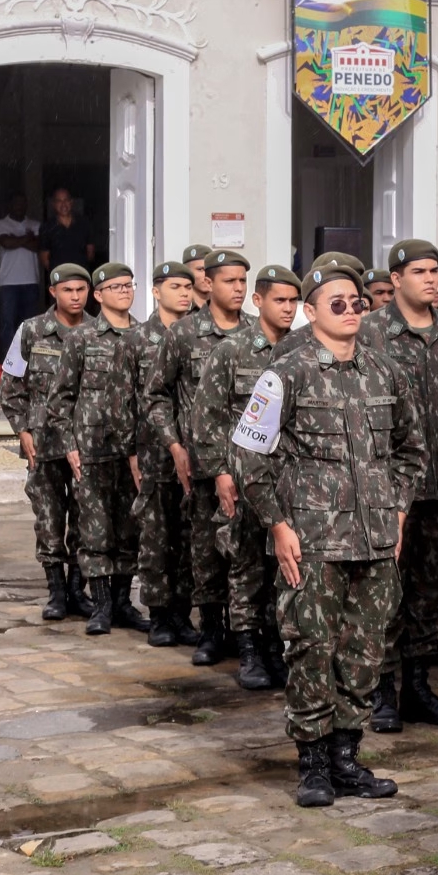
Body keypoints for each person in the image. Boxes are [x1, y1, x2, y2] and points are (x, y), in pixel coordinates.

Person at [233, 264, 426, 808]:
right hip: (312, 542)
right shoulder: (284, 374)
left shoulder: (387, 373)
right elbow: (249, 456)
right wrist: (277, 522)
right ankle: (313, 763)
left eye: (357, 302)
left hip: (375, 540)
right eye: (336, 303)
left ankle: (347, 756)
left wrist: (399, 511)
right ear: (310, 311)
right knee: (312, 649)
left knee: (364, 652)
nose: (350, 311)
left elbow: (413, 452)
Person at [359, 239, 438, 730]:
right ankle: (380, 688)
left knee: (429, 589)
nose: (429, 278)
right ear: (396, 278)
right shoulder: (370, 333)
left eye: (435, 271)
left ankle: (418, 685)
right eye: (418, 270)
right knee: (385, 590)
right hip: (388, 488)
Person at [195, 264, 304, 690]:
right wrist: (222, 472)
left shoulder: (303, 351)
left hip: (289, 481)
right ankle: (249, 652)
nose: (288, 308)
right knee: (244, 566)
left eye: (294, 301)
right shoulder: (233, 351)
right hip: (244, 476)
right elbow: (208, 416)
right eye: (280, 300)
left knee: (283, 568)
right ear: (258, 301)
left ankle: (278, 648)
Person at [144, 249, 249, 665]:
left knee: (246, 555)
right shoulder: (184, 334)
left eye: (243, 281)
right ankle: (209, 629)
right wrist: (174, 444)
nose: (237, 289)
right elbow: (155, 395)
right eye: (229, 281)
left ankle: (247, 635)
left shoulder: (258, 335)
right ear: (210, 283)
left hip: (251, 464)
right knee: (205, 551)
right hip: (203, 463)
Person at [46, 263, 149, 636]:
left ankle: (123, 602)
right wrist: (68, 446)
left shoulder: (145, 336)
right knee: (95, 530)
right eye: (114, 286)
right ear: (99, 295)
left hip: (135, 453)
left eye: (128, 285)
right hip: (93, 449)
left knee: (129, 529)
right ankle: (101, 605)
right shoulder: (82, 338)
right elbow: (60, 400)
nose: (124, 291)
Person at [0, 264, 96, 621]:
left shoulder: (97, 330)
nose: (75, 297)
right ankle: (55, 590)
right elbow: (11, 386)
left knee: (87, 517)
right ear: (53, 292)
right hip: (42, 441)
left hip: (86, 442)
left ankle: (77, 588)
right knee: (49, 517)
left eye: (81, 290)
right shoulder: (32, 331)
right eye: (68, 290)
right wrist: (22, 430)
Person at [134, 261, 204, 648]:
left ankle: (182, 612)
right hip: (156, 454)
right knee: (156, 537)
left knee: (189, 537)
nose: (184, 293)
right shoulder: (138, 338)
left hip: (196, 456)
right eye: (175, 286)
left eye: (188, 286)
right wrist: (131, 453)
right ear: (156, 291)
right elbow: (128, 400)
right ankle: (159, 613)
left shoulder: (199, 334)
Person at [0, 195, 41, 358]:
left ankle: (28, 359)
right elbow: (6, 243)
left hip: (31, 281)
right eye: (16, 203)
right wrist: (28, 238)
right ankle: (9, 360)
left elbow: (38, 246)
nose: (20, 206)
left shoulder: (35, 224)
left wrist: (16, 239)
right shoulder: (0, 224)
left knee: (29, 324)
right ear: (10, 205)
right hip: (8, 282)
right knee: (8, 323)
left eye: (23, 203)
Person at [37, 189, 97, 275]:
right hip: (58, 278)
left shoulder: (84, 224)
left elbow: (90, 254)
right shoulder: (47, 227)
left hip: (81, 275)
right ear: (53, 204)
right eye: (59, 201)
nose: (63, 204)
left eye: (66, 200)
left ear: (71, 202)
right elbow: (44, 259)